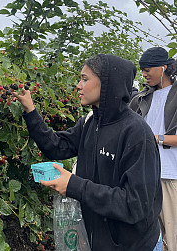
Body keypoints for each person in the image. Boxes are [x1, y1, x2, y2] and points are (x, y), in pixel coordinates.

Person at [14, 54, 162, 251]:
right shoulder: (90, 123)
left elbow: (135, 206)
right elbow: (55, 146)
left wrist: (74, 185)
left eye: (85, 79)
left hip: (134, 245)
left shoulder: (136, 134)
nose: (78, 85)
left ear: (108, 83)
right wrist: (30, 110)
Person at [130, 47, 177, 251]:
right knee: (149, 238)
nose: (144, 74)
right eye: (142, 70)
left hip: (170, 175)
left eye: (148, 69)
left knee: (172, 236)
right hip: (145, 175)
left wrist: (153, 138)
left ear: (163, 67)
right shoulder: (142, 98)